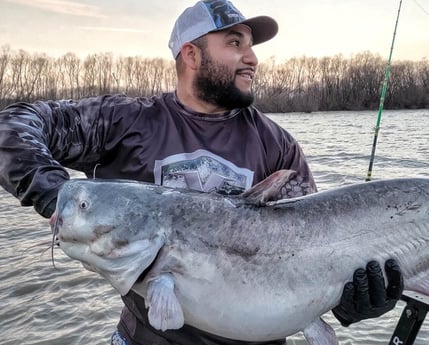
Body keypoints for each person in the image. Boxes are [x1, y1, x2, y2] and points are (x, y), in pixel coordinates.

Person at [0, 1, 403, 345]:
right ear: (191, 55)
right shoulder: (125, 123)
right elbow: (12, 126)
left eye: (250, 45)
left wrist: (353, 301)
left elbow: (310, 254)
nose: (252, 58)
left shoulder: (277, 146)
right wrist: (55, 195)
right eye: (234, 43)